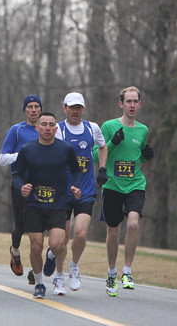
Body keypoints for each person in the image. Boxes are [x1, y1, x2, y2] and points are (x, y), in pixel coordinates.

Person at [12, 112, 81, 299]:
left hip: (57, 204)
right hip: (34, 204)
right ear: (37, 128)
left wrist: (75, 186)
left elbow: (76, 170)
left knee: (58, 244)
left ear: (56, 128)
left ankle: (51, 257)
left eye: (51, 125)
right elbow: (16, 174)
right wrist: (22, 187)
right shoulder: (27, 149)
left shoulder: (65, 149)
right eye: (44, 124)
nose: (48, 128)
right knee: (35, 246)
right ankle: (40, 283)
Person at [49, 92, 108, 295]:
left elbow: (103, 146)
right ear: (64, 108)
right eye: (71, 107)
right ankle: (58, 276)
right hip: (63, 191)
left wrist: (102, 168)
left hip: (85, 190)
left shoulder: (92, 128)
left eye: (78, 108)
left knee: (81, 233)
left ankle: (73, 266)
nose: (75, 111)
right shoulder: (58, 130)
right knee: (62, 239)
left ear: (83, 109)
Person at [100, 86, 153, 297]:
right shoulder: (109, 126)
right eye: (128, 102)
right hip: (112, 184)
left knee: (132, 223)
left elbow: (138, 156)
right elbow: (97, 154)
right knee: (113, 231)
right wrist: (113, 142)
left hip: (135, 184)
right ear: (121, 104)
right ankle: (112, 272)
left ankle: (127, 271)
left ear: (139, 104)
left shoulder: (143, 130)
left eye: (135, 102)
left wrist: (146, 156)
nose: (132, 105)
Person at [0, 95, 42, 282]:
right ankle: (15, 250)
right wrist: (23, 155)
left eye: (36, 107)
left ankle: (36, 270)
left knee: (39, 230)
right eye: (30, 107)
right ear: (24, 110)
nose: (33, 110)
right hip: (20, 180)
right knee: (21, 228)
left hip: (42, 182)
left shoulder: (48, 130)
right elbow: (2, 159)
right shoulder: (16, 131)